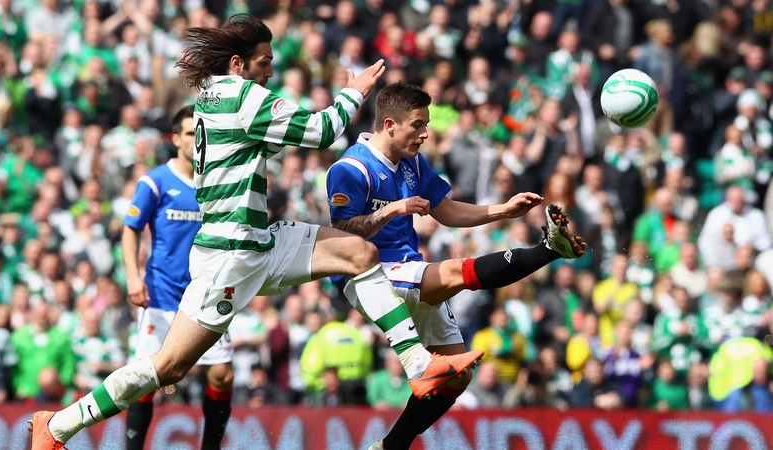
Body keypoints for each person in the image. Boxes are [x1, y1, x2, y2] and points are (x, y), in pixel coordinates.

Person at [29, 15, 483, 450]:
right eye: (264, 61)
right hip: (230, 255)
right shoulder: (243, 98)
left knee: (357, 253)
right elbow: (322, 130)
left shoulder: (212, 99)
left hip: (258, 241)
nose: (271, 70)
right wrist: (352, 92)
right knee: (168, 366)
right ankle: (60, 425)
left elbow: (272, 138)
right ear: (237, 64)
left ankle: (418, 363)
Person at [324, 82, 586, 450]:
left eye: (426, 124)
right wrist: (392, 209)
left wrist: (503, 210)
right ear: (389, 124)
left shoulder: (413, 161)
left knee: (456, 377)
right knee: (452, 272)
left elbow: (445, 210)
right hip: (368, 275)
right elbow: (342, 229)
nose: (425, 133)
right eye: (417, 124)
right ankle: (549, 249)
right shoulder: (351, 168)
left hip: (409, 269)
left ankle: (391, 446)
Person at [121, 105, 235, 450]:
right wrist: (132, 276)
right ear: (176, 139)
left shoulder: (217, 182)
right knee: (146, 378)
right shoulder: (156, 181)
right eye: (189, 133)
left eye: (200, 133)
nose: (196, 139)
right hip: (162, 294)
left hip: (207, 295)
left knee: (222, 374)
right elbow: (131, 229)